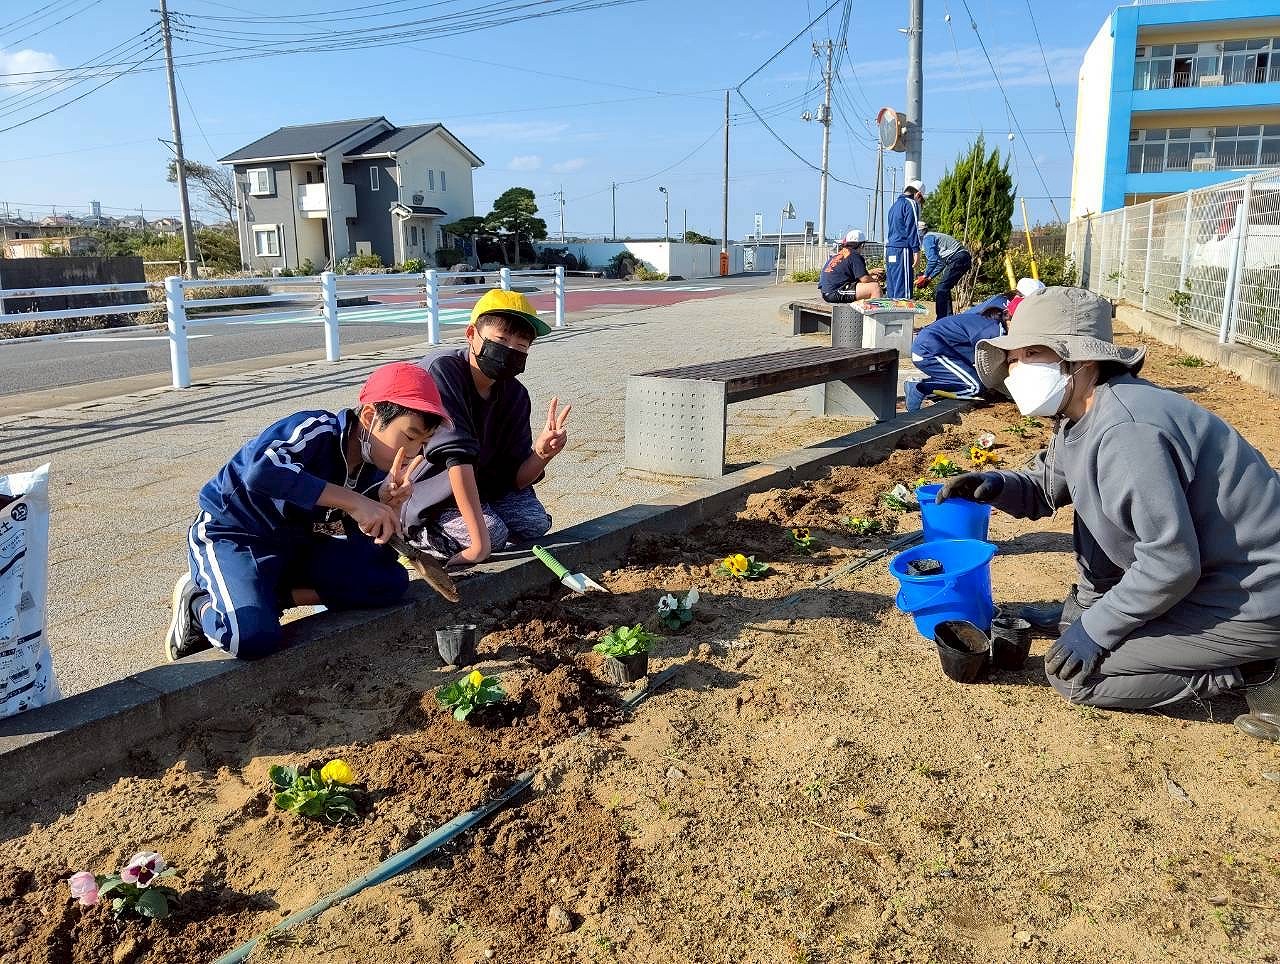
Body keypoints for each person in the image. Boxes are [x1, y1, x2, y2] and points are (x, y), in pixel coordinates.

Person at [936, 287, 1280, 739]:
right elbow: (1044, 487)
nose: (1019, 369)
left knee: (1075, 673)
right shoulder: (1080, 414)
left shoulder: (1126, 431)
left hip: (1250, 597)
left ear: (1082, 361)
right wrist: (996, 486)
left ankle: (1248, 668)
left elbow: (1170, 563)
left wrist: (1093, 632)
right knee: (1088, 623)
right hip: (1211, 580)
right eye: (1016, 356)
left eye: (1033, 353)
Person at [165, 362, 449, 661]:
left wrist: (384, 504)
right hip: (237, 533)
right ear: (370, 417)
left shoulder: (377, 469)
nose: (414, 453)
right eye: (409, 437)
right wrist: (357, 502)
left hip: (298, 544)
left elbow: (345, 527)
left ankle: (271, 596)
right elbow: (261, 471)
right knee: (250, 637)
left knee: (388, 581)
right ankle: (198, 604)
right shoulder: (315, 430)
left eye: (423, 443)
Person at [402, 289, 570, 566]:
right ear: (471, 335)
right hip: (432, 493)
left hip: (483, 489)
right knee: (491, 534)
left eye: (521, 346)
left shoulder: (515, 394)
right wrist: (480, 546)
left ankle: (478, 523)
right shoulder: (442, 372)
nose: (509, 351)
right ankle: (415, 534)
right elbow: (457, 457)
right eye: (501, 340)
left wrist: (542, 454)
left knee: (534, 523)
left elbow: (516, 479)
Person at [902, 294, 1010, 411]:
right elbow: (991, 366)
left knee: (976, 384)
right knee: (974, 387)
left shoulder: (994, 321)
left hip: (939, 349)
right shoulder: (992, 331)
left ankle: (928, 386)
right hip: (929, 350)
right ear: (1009, 317)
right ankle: (921, 388)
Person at [914, 228, 972, 319]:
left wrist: (924, 276)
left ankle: (942, 319)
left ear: (918, 233)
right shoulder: (933, 237)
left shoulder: (927, 238)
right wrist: (929, 278)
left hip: (959, 258)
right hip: (962, 258)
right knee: (944, 288)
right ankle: (946, 318)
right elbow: (940, 263)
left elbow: (933, 260)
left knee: (942, 288)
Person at [818, 229, 883, 303]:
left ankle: (864, 309)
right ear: (862, 245)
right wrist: (875, 280)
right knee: (875, 288)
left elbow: (853, 275)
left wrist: (870, 274)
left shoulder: (841, 254)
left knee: (866, 286)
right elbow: (864, 279)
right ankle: (873, 313)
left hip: (828, 291)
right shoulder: (854, 255)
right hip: (835, 292)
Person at [885, 179, 925, 299]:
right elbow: (912, 228)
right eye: (921, 200)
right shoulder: (910, 204)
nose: (920, 203)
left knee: (893, 287)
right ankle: (903, 317)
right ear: (918, 194)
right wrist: (916, 251)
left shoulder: (894, 206)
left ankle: (891, 316)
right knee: (904, 291)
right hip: (903, 249)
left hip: (891, 249)